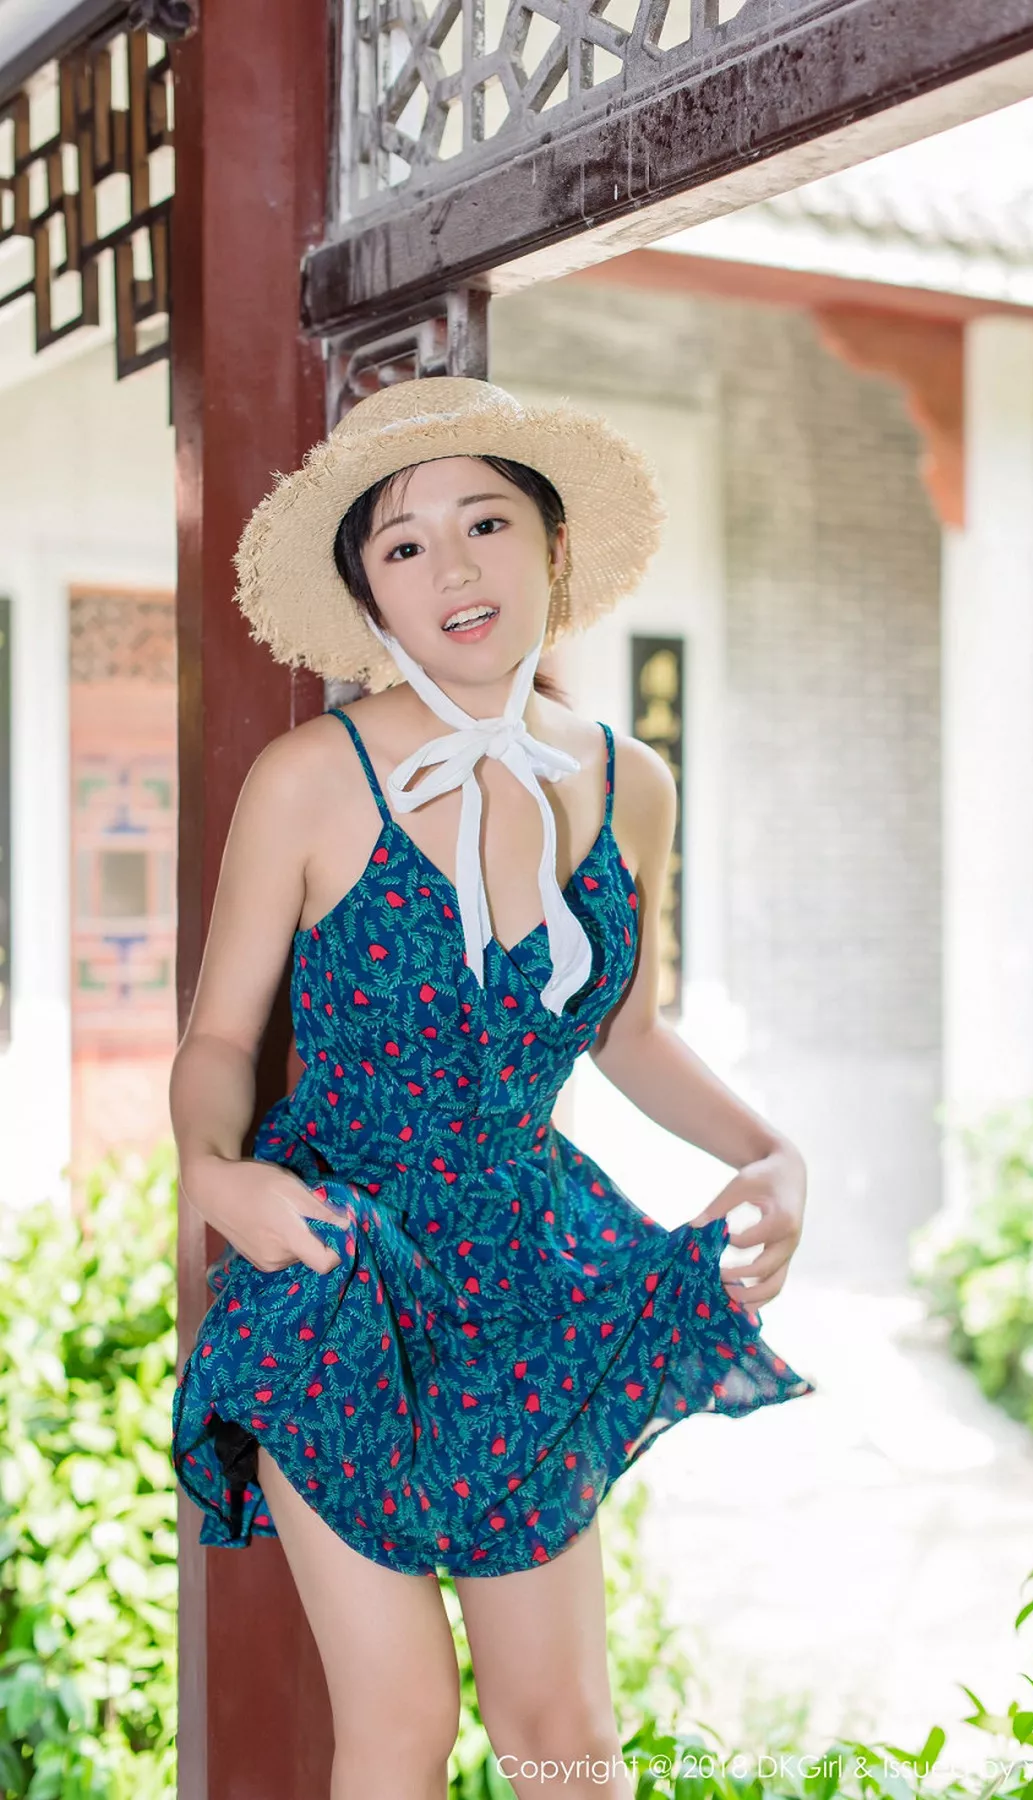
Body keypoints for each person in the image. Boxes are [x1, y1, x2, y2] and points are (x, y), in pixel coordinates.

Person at [170, 375, 815, 1800]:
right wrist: (220, 1180)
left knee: (565, 1734)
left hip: (533, 1274)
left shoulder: (630, 783)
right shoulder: (308, 779)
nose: (453, 569)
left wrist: (771, 1148)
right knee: (403, 1725)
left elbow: (623, 1034)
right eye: (404, 545)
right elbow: (217, 1043)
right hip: (339, 1274)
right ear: (369, 595)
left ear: (554, 547)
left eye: (487, 522)